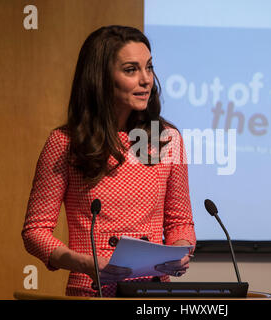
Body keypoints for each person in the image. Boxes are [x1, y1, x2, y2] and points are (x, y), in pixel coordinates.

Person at [21, 25, 196, 297]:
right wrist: (82, 263)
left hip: (153, 294)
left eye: (149, 67)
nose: (146, 79)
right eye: (131, 70)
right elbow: (35, 231)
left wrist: (180, 249)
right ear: (101, 78)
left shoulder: (167, 139)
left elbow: (180, 221)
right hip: (93, 290)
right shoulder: (65, 142)